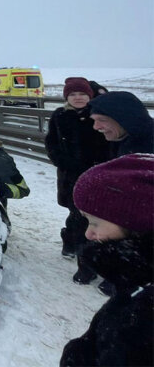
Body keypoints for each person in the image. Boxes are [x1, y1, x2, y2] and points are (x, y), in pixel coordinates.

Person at [60, 154, 153, 367]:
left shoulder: (146, 307)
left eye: (95, 223)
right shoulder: (137, 276)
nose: (88, 234)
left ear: (135, 222)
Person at [44, 77, 110, 284]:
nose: (78, 98)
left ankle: (87, 261)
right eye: (73, 94)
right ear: (66, 97)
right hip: (71, 177)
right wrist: (63, 162)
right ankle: (70, 242)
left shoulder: (98, 116)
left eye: (82, 94)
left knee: (92, 218)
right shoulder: (60, 115)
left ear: (89, 95)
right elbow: (51, 143)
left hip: (98, 176)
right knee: (76, 215)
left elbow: (109, 143)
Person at [89, 91, 154, 158]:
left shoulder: (147, 151)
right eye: (94, 120)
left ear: (125, 119)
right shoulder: (121, 139)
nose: (95, 127)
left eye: (102, 120)